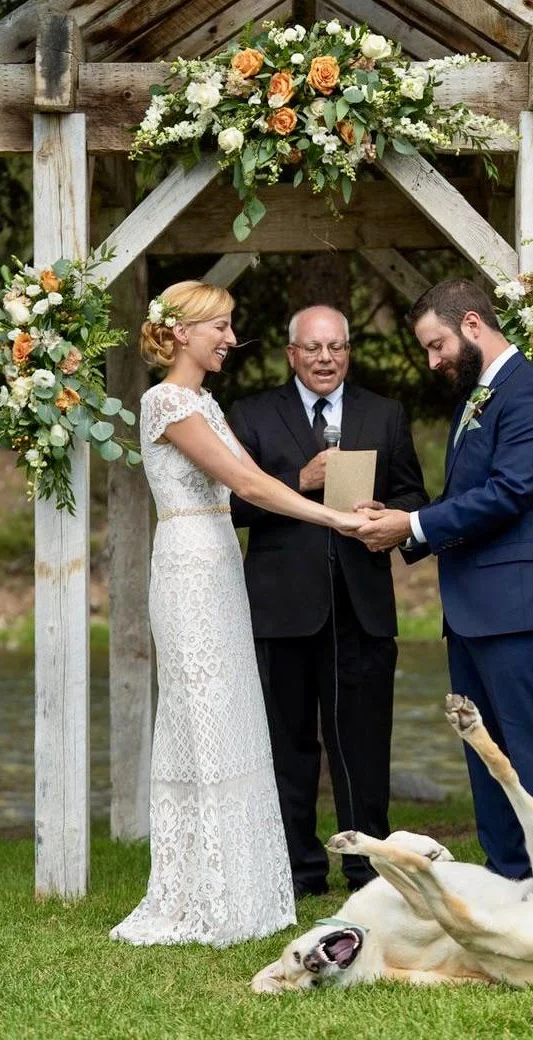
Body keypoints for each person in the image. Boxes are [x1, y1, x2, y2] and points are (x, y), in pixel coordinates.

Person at [109, 282, 366, 947]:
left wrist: (331, 493)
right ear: (184, 332)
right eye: (220, 327)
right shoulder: (165, 401)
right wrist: (335, 515)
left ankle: (242, 883)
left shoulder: (204, 401)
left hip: (223, 562)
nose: (230, 338)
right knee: (202, 713)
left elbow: (257, 476)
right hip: (190, 565)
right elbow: (251, 486)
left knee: (233, 714)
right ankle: (202, 889)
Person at [354, 279, 533, 880]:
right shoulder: (478, 396)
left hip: (518, 610)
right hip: (474, 610)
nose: (432, 361)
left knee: (531, 752)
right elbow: (465, 498)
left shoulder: (528, 393)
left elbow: (507, 495)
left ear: (472, 324)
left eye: (436, 345)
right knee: (486, 754)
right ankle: (509, 878)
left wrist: (414, 523)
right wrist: (401, 524)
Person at [228, 305, 428, 897]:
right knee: (288, 746)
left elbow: (414, 494)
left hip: (361, 607)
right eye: (313, 348)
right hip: (282, 610)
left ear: (348, 351)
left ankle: (370, 871)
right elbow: (232, 508)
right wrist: (299, 484)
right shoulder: (253, 415)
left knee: (363, 744)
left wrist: (386, 513)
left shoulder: (385, 414)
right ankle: (298, 871)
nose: (325, 358)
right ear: (291, 353)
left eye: (336, 347)